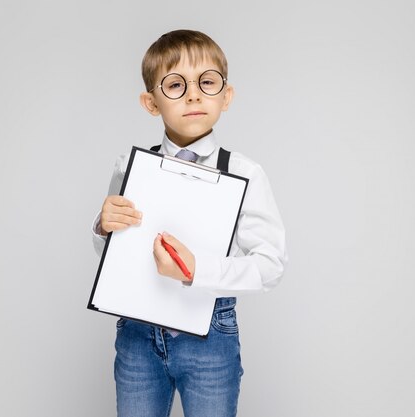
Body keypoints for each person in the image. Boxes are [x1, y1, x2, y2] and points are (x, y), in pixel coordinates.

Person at [91, 29, 287, 417]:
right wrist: (102, 226)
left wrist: (199, 269)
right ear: (151, 102)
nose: (194, 95)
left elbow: (271, 264)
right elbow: (112, 253)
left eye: (207, 83)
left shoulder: (246, 172)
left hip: (209, 337)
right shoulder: (130, 167)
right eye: (176, 85)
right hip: (137, 334)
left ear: (226, 96)